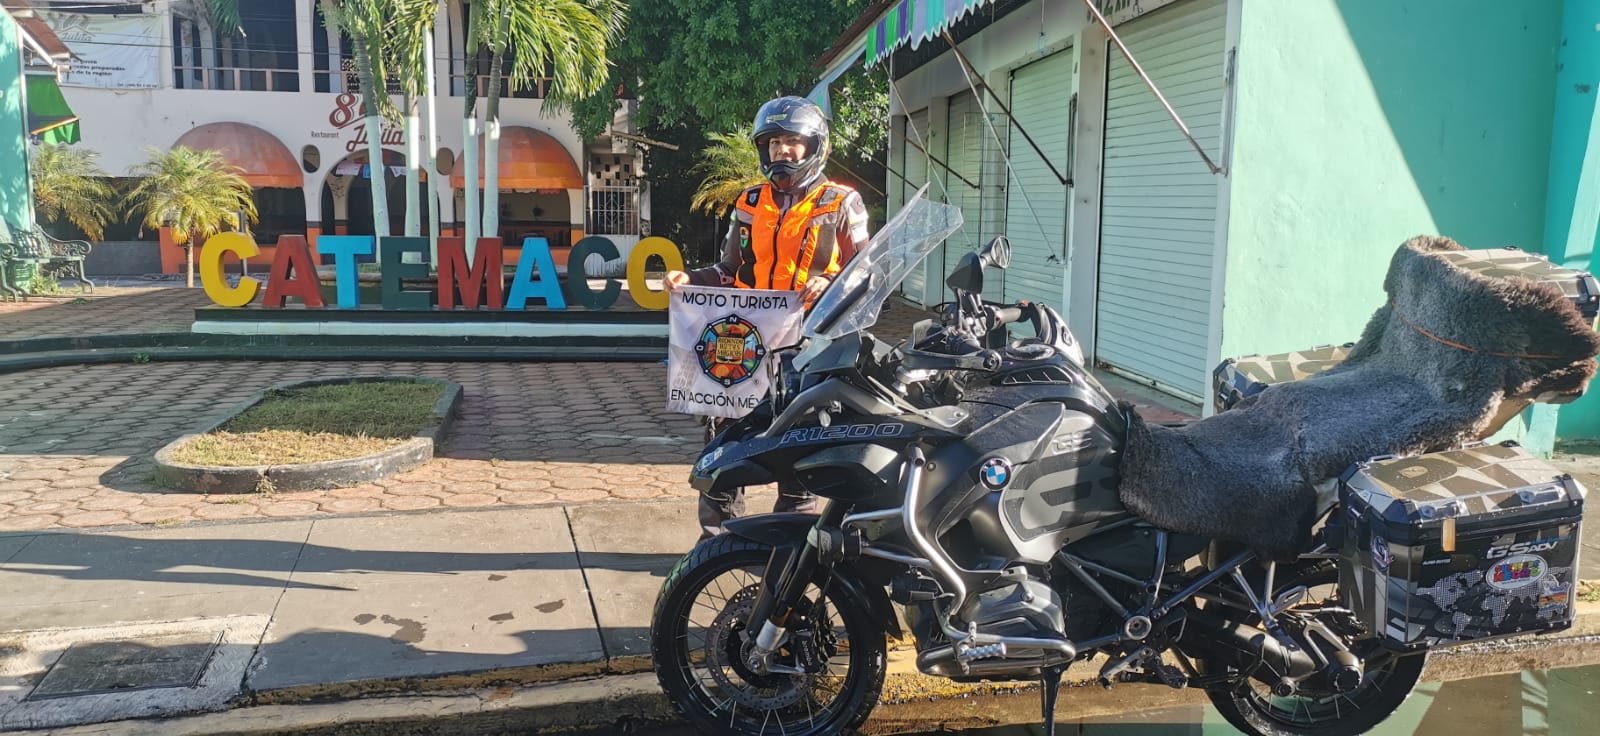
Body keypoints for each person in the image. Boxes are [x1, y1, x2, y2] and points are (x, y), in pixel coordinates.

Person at [665, 95, 872, 540]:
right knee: (728, 440)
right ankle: (717, 542)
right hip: (743, 341)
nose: (782, 151)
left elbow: (868, 273)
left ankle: (789, 547)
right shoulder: (750, 201)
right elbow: (728, 270)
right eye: (774, 142)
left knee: (800, 442)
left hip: (810, 345)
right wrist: (691, 278)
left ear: (816, 145)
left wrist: (831, 284)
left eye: (792, 142)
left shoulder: (841, 203)